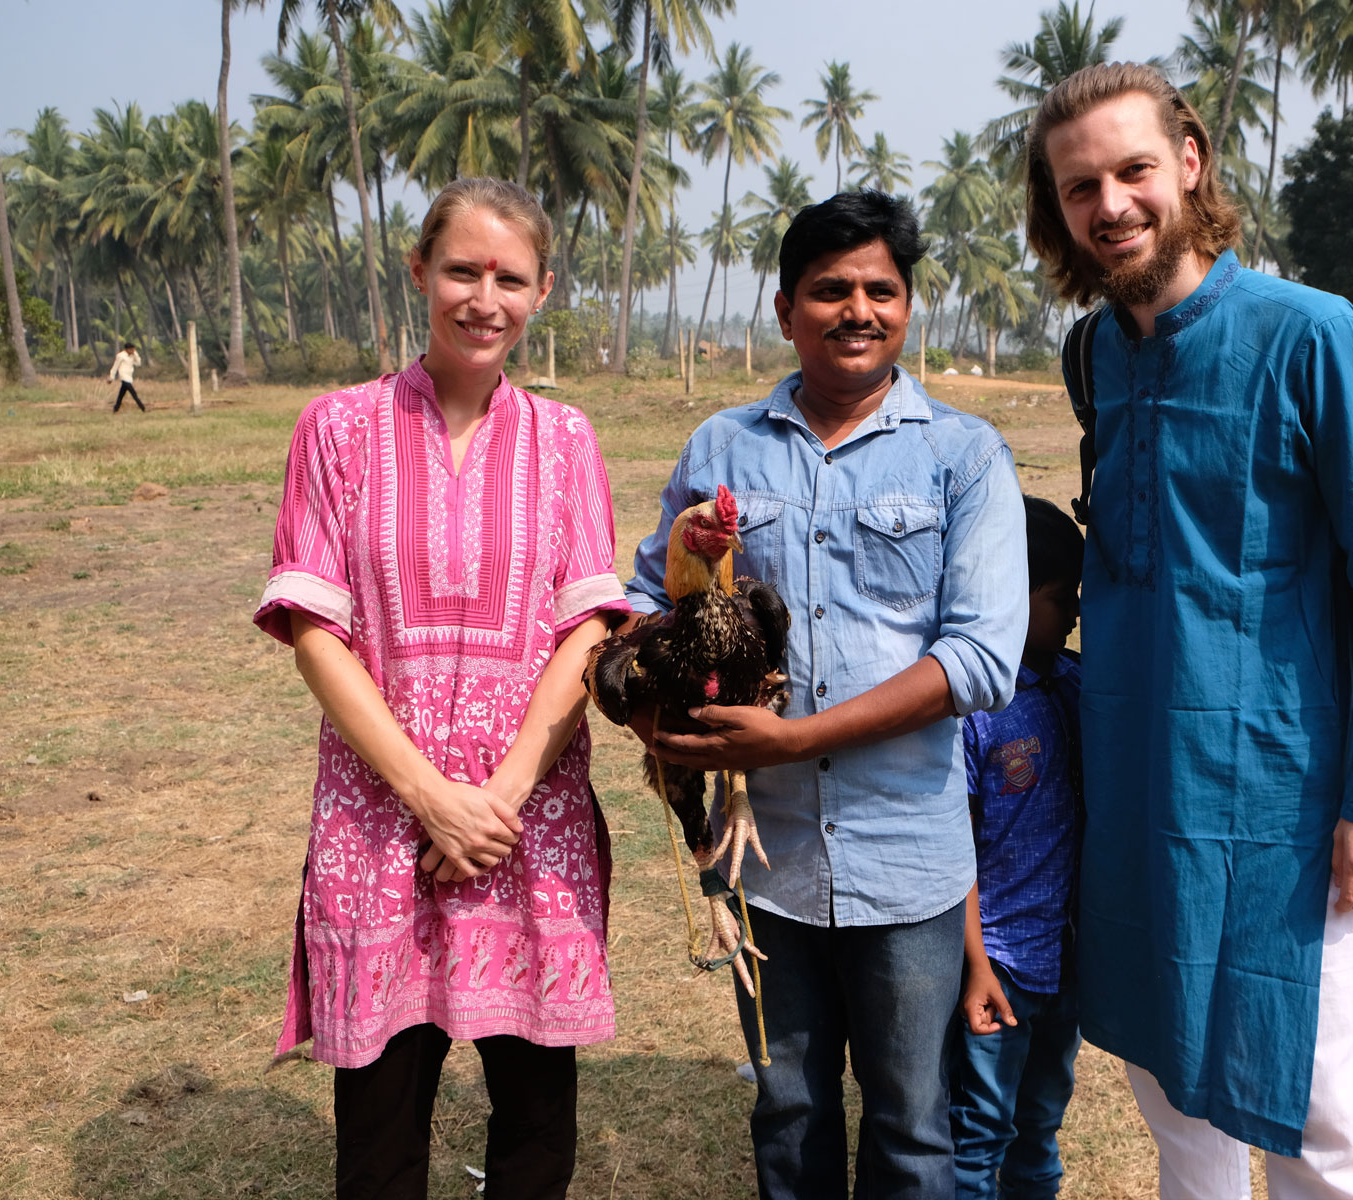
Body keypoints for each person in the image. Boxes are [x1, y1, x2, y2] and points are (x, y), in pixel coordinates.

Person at [1026, 63, 1353, 1198]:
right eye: (1079, 188)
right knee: (1171, 1096)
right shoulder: (1095, 354)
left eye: (1133, 170)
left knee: (1318, 1115)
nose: (1109, 205)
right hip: (1136, 782)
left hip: (1287, 804)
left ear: (1190, 165)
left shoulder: (1313, 339)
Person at [624, 189, 1029, 1200]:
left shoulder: (962, 455)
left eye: (881, 290)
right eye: (830, 290)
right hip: (766, 862)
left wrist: (792, 738)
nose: (859, 310)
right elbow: (644, 604)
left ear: (908, 304)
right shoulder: (723, 447)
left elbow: (980, 661)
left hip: (908, 860)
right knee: (791, 1114)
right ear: (784, 308)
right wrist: (645, 698)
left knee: (911, 1128)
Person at [253, 177, 630, 1200]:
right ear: (419, 272)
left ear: (543, 290)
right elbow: (314, 629)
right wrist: (428, 794)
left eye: (510, 277)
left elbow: (587, 627)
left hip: (527, 829)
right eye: (462, 270)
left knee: (536, 1126)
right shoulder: (335, 430)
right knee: (379, 1135)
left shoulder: (567, 444)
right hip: (381, 826)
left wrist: (496, 801)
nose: (484, 298)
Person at [948, 495, 1084, 1200]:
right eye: (1062, 599)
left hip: (1061, 965)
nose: (1076, 615)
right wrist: (974, 966)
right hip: (996, 966)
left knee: (1039, 1127)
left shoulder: (1076, 686)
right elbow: (954, 849)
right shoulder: (972, 714)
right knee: (978, 1138)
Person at [108, 342, 144, 412]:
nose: (133, 351)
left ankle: (116, 409)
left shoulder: (132, 355)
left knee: (121, 395)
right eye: (131, 349)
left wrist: (135, 354)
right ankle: (143, 408)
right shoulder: (121, 356)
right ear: (127, 349)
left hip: (129, 377)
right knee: (134, 394)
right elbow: (115, 367)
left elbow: (138, 363)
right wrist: (111, 377)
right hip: (123, 376)